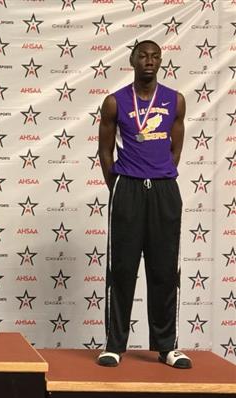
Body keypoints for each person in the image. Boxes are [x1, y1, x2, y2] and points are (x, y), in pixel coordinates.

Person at [97, 40, 191, 369]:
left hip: (164, 189)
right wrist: (120, 187)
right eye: (143, 56)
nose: (149, 61)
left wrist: (161, 175)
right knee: (122, 270)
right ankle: (114, 345)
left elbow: (175, 147)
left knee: (165, 270)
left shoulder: (175, 100)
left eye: (154, 56)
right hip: (127, 189)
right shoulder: (114, 102)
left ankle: (167, 347)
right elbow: (105, 152)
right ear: (133, 61)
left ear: (161, 61)